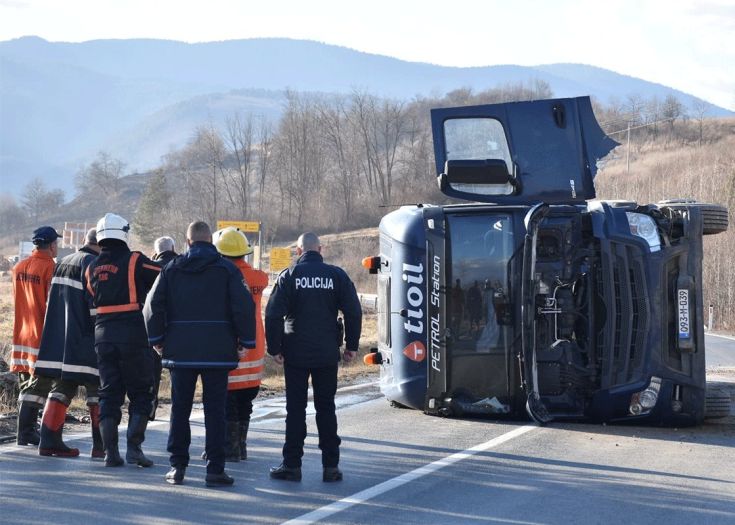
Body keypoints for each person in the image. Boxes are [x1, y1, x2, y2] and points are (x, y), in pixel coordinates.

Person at [144, 221, 256, 487]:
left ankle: (177, 467)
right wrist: (244, 342)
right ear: (211, 242)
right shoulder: (227, 270)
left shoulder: (171, 268)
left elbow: (151, 306)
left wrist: (158, 340)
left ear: (188, 241)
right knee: (215, 411)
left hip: (180, 351)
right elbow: (243, 307)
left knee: (180, 410)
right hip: (218, 352)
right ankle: (215, 469)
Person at [266, 232, 362, 482]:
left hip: (295, 353)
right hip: (327, 353)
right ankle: (331, 466)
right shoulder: (337, 275)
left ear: (298, 252)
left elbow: (273, 314)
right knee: (326, 408)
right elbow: (353, 311)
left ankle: (292, 465)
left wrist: (274, 348)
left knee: (295, 409)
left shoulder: (289, 276)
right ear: (320, 249)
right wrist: (352, 345)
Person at [84, 213, 160, 468]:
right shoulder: (135, 260)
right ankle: (135, 449)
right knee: (141, 392)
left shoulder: (91, 268)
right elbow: (163, 275)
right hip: (132, 332)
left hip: (102, 335)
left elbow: (92, 296)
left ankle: (110, 453)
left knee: (108, 393)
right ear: (123, 234)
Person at [34, 228, 103, 458]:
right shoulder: (93, 264)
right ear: (100, 244)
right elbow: (95, 306)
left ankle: (49, 441)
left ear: (85, 240)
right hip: (85, 340)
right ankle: (101, 446)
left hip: (60, 341)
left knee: (62, 388)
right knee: (98, 389)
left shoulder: (62, 262)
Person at [211, 227, 269, 461]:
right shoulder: (260, 277)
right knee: (246, 402)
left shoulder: (222, 277)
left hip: (233, 346)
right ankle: (241, 446)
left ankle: (231, 448)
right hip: (255, 347)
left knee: (229, 402)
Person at [11, 226, 60, 446]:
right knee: (37, 388)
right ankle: (27, 432)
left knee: (26, 385)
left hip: (21, 336)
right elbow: (52, 305)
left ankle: (26, 430)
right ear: (51, 245)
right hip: (41, 336)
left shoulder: (19, 267)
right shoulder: (50, 267)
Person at [148, 236, 178, 421]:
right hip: (177, 326)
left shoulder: (149, 268)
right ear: (173, 248)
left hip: (155, 326)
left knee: (152, 371)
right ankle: (178, 408)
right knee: (178, 373)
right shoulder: (180, 265)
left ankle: (151, 405)